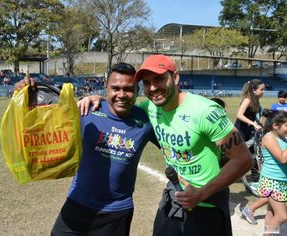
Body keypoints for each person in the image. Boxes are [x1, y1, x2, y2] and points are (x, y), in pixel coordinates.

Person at [79, 54, 253, 236]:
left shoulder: (205, 111)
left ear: (175, 77)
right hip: (173, 198)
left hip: (207, 204)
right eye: (146, 83)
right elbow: (120, 103)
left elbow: (243, 160)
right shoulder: (149, 109)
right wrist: (97, 99)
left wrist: (201, 194)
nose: (153, 88)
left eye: (159, 79)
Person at [16, 63, 159, 236]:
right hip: (78, 204)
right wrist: (26, 91)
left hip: (116, 213)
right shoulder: (86, 110)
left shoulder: (146, 121)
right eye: (115, 88)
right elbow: (40, 118)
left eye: (128, 89)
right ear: (106, 87)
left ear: (137, 90)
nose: (121, 95)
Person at [256, 110, 287, 235]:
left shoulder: (282, 137)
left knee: (271, 212)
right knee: (282, 216)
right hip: (272, 181)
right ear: (275, 126)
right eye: (286, 125)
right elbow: (283, 158)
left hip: (280, 180)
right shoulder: (269, 138)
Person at [234, 79, 265, 193]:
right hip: (240, 131)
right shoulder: (247, 99)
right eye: (261, 89)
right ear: (253, 90)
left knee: (253, 154)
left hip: (250, 131)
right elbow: (239, 115)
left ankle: (256, 181)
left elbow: (255, 116)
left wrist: (258, 123)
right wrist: (253, 123)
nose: (263, 92)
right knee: (236, 156)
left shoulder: (256, 100)